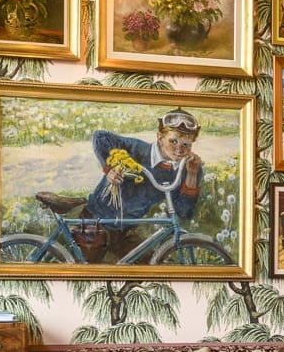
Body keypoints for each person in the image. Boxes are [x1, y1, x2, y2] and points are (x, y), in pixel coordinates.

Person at [81, 110, 204, 258]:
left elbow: (184, 212)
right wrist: (110, 169)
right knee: (88, 265)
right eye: (173, 141)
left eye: (186, 145)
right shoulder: (137, 150)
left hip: (126, 230)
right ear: (160, 138)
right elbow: (100, 136)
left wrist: (192, 174)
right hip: (97, 219)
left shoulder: (189, 168)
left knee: (149, 266)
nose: (179, 149)